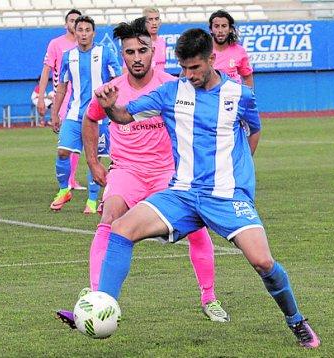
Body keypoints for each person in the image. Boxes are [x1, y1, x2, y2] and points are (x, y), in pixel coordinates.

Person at [89, 28, 320, 349]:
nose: (188, 75)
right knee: (120, 228)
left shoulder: (240, 95)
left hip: (226, 196)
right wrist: (112, 108)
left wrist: (238, 173)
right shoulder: (172, 92)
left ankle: (296, 320)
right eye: (183, 68)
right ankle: (103, 308)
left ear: (212, 59)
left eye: (195, 67)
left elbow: (254, 130)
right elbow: (125, 116)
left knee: (263, 262)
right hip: (182, 194)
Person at [56, 18, 228, 329]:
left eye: (143, 50)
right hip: (127, 171)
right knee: (110, 216)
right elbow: (90, 119)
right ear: (122, 55)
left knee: (197, 227)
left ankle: (209, 297)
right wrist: (93, 162)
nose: (137, 57)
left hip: (168, 173)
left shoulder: (173, 87)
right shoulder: (111, 91)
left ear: (154, 50)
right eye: (130, 52)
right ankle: (99, 297)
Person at [50, 15, 121, 213]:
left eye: (87, 30)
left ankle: (91, 201)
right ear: (75, 31)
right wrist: (55, 113)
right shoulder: (67, 56)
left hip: (100, 117)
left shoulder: (105, 53)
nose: (83, 33)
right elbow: (62, 88)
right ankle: (64, 190)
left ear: (93, 33)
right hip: (74, 114)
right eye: (79, 29)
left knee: (96, 158)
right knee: (62, 152)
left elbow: (118, 81)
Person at [37, 9, 86, 190]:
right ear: (66, 24)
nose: (74, 24)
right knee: (67, 141)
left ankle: (71, 179)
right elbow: (46, 71)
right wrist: (42, 98)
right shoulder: (56, 44)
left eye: (77, 21)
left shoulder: (86, 46)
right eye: (72, 20)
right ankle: (67, 181)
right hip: (64, 97)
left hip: (83, 98)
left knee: (82, 138)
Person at [209, 9, 254, 87]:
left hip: (233, 96)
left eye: (224, 26)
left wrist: (249, 97)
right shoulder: (203, 50)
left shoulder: (239, 51)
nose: (220, 30)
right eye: (216, 26)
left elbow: (247, 77)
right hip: (211, 96)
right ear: (211, 30)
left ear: (230, 29)